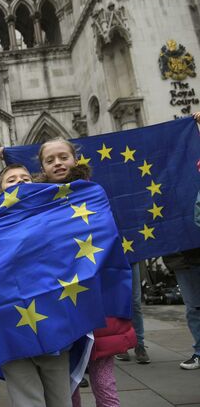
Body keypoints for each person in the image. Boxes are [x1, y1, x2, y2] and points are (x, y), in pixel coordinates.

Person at [34, 138, 136, 407]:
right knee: (68, 383)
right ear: (43, 167)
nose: (58, 163)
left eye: (63, 157)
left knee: (103, 378)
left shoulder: (92, 192)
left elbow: (105, 235)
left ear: (75, 159)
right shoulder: (37, 200)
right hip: (60, 300)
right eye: (50, 160)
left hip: (96, 298)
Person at [0, 163, 75, 407]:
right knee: (27, 400)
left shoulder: (54, 219)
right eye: (11, 180)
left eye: (25, 178)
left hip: (52, 324)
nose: (19, 182)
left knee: (61, 398)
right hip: (12, 328)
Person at [115, 262, 151, 363]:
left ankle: (139, 344)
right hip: (113, 255)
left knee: (135, 303)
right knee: (118, 302)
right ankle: (121, 344)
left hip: (132, 257)